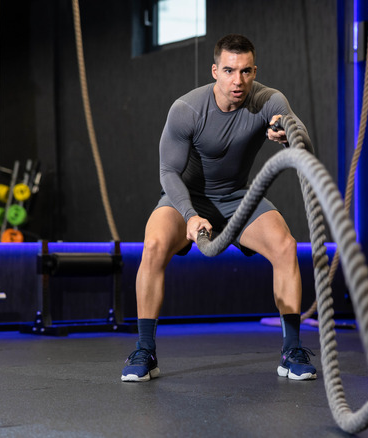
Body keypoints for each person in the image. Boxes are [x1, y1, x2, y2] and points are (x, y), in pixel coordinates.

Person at [121, 34, 317, 383]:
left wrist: (287, 131)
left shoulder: (268, 100)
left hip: (237, 198)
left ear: (254, 71)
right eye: (229, 71)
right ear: (215, 71)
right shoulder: (188, 110)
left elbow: (301, 134)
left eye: (245, 72)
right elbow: (168, 173)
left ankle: (291, 350)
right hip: (187, 197)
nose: (237, 81)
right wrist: (189, 214)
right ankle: (144, 350)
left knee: (286, 247)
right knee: (152, 246)